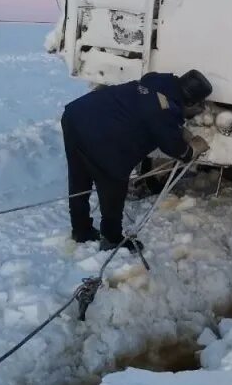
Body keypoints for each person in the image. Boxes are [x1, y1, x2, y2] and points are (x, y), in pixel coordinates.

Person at [60, 70, 212, 251]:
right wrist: (194, 147)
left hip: (76, 115)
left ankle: (81, 229)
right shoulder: (164, 111)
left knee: (79, 176)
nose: (198, 111)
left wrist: (176, 129)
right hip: (99, 133)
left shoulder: (156, 84)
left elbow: (153, 115)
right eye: (197, 106)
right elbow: (178, 150)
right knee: (113, 181)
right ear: (190, 101)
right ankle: (112, 238)